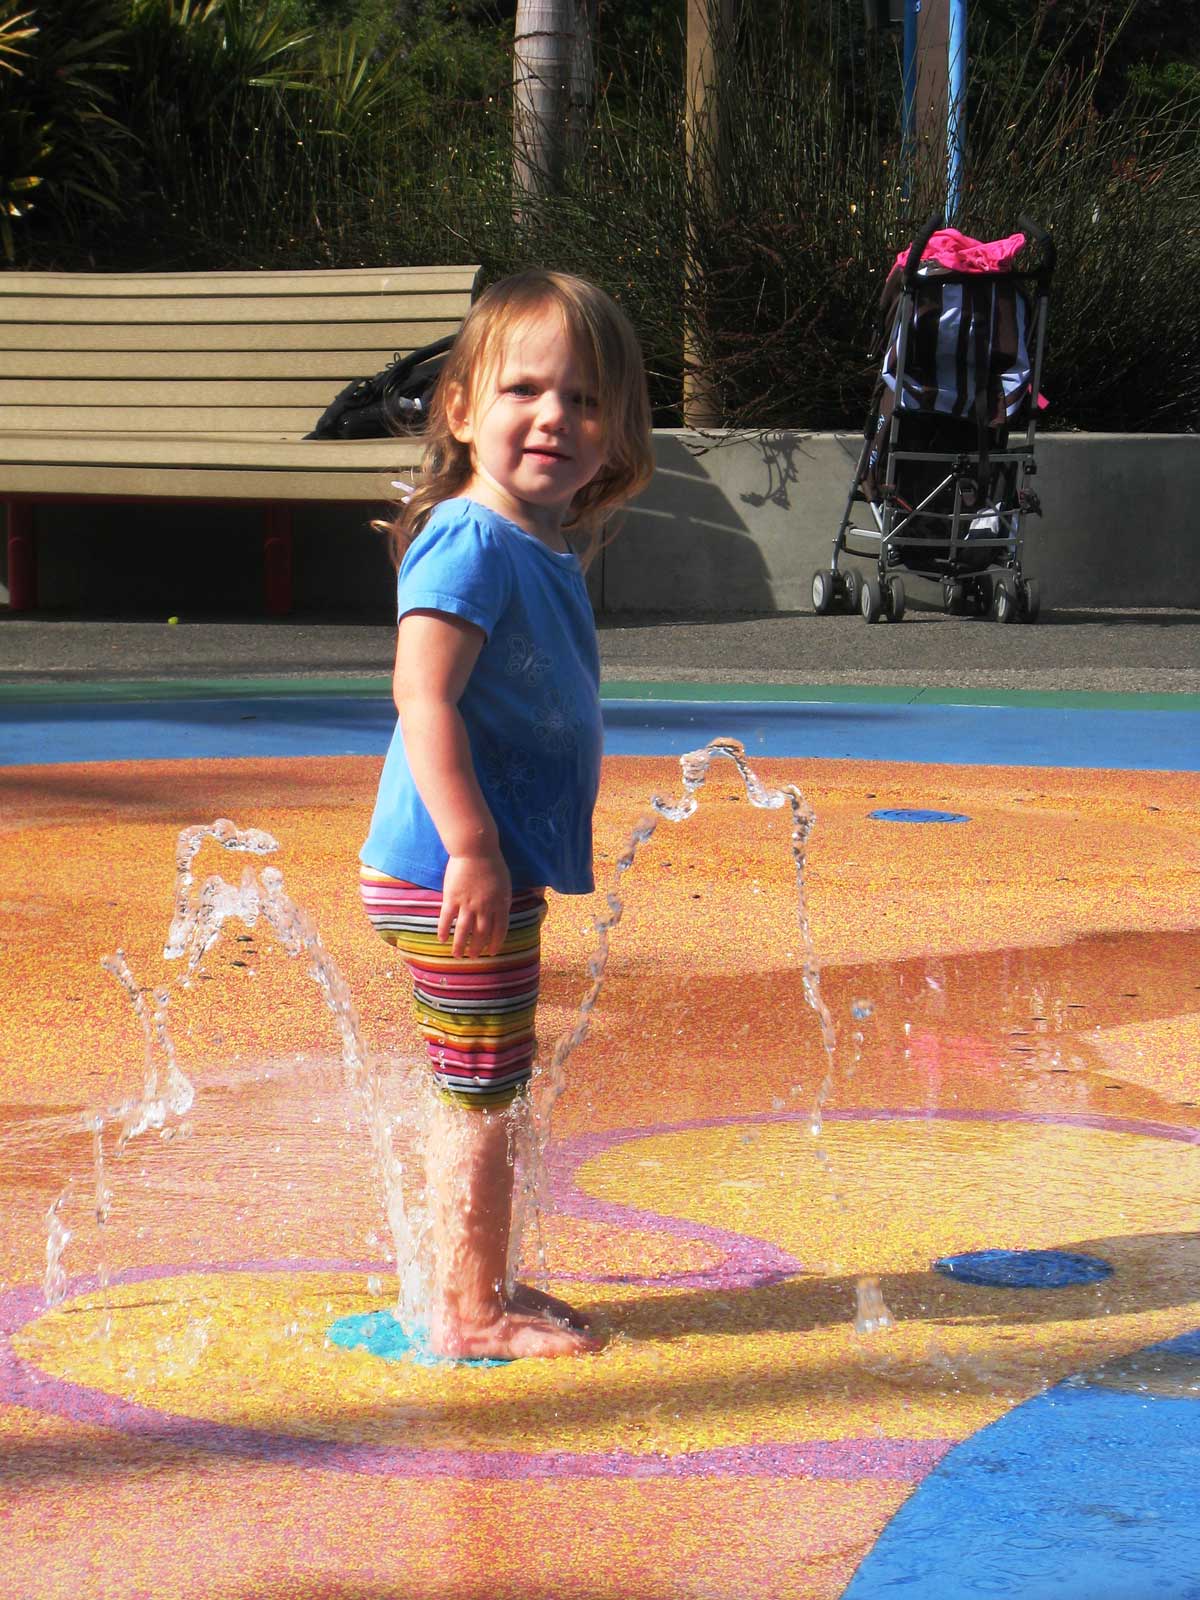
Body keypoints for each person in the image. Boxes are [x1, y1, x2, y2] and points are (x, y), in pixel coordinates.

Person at [359, 270, 654, 1360]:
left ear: (617, 426)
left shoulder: (534, 540)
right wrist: (475, 847)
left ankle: (472, 1279)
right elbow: (421, 693)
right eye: (524, 387)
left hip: (472, 865)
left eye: (584, 398)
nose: (554, 417)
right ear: (460, 407)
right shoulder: (474, 539)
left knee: (484, 1077)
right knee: (484, 1088)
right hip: (451, 864)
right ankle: (470, 1310)